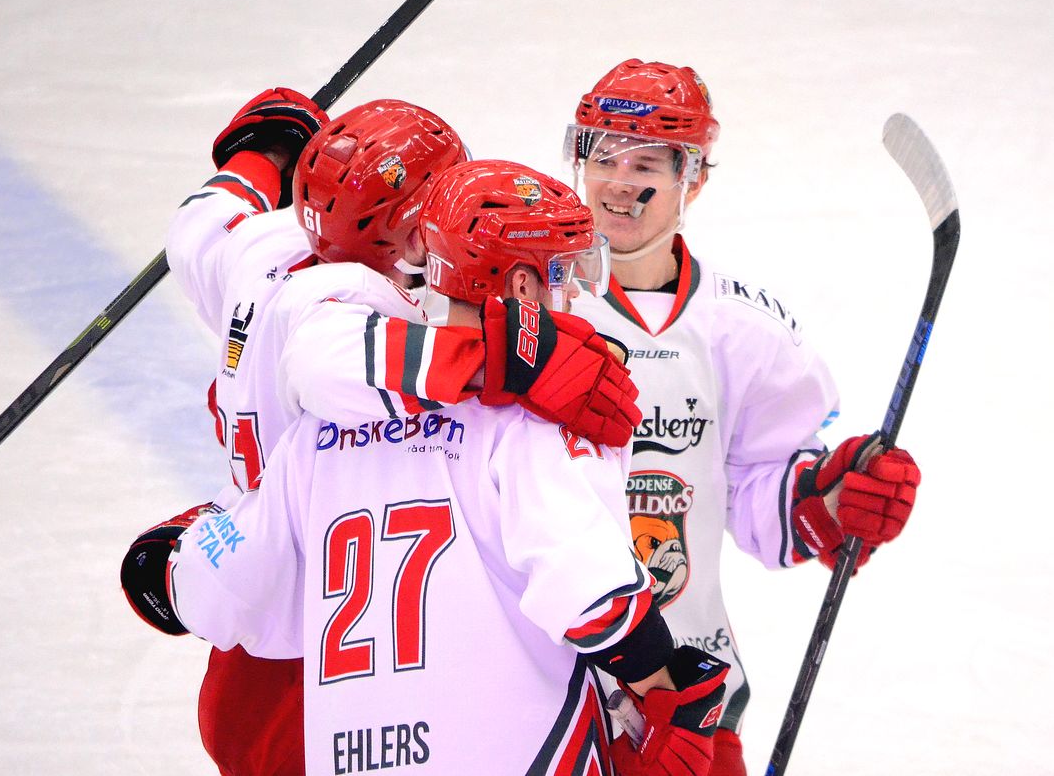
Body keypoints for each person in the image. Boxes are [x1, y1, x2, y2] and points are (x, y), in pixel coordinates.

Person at [124, 161, 729, 776]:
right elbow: (593, 598)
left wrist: (173, 559)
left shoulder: (316, 433)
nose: (573, 294)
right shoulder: (537, 421)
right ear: (523, 287)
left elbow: (227, 584)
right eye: (564, 272)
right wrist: (666, 695)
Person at [562, 59, 924, 775]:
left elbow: (764, 495)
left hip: (684, 696)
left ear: (693, 178)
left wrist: (835, 498)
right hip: (545, 693)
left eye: (645, 163)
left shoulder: (740, 328)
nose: (617, 182)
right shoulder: (531, 309)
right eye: (602, 156)